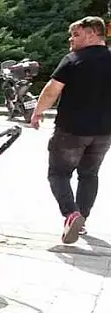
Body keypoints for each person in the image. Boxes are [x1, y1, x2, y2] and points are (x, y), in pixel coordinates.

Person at [31, 16, 111, 244]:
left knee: (58, 173)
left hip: (71, 131)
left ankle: (71, 214)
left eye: (76, 34)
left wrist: (37, 112)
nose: (71, 39)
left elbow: (51, 90)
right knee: (89, 175)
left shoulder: (74, 60)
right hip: (104, 133)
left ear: (93, 33)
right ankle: (82, 220)